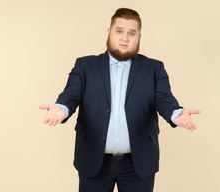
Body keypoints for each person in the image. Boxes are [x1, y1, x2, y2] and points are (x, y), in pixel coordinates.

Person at [39, 8, 200, 192]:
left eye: (131, 33)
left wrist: (175, 113)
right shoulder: (85, 66)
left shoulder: (154, 68)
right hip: (94, 161)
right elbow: (71, 94)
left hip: (138, 164)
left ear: (139, 36)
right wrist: (62, 108)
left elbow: (164, 99)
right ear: (109, 32)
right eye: (119, 31)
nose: (125, 38)